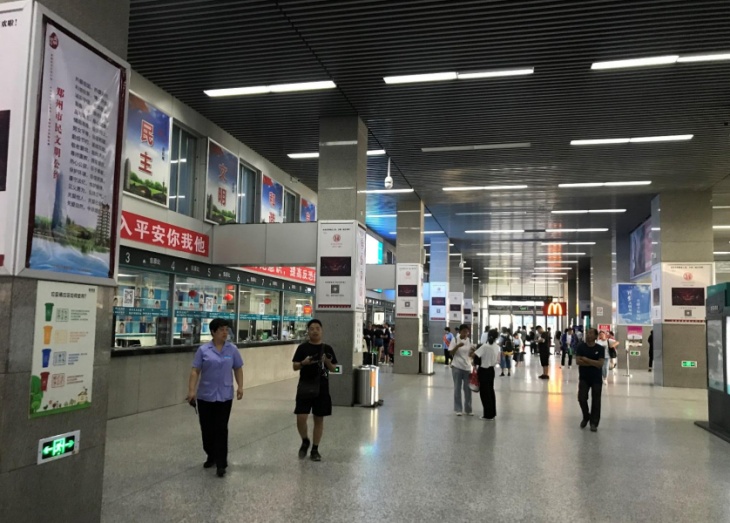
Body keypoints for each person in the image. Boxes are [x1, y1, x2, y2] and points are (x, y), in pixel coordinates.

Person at [186, 318, 244, 478]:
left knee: (221, 429)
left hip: (225, 396)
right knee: (207, 429)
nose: (225, 333)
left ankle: (221, 463)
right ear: (213, 332)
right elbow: (195, 371)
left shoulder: (232, 349)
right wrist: (191, 390)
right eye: (221, 330)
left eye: (226, 329)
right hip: (206, 396)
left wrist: (240, 386)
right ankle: (211, 454)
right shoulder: (203, 350)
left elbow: (238, 368)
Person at [292, 319, 338, 462]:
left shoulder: (327, 348)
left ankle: (315, 449)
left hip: (322, 387)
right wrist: (303, 363)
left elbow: (335, 369)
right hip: (305, 386)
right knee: (301, 417)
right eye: (312, 328)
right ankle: (305, 440)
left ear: (322, 330)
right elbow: (295, 366)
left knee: (319, 419)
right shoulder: (302, 348)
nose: (315, 331)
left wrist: (327, 362)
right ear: (308, 331)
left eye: (317, 328)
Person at [576, 328, 605, 432]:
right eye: (587, 333)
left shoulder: (600, 349)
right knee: (581, 398)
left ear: (596, 336)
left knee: (596, 400)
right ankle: (586, 416)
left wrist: (586, 360)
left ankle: (594, 423)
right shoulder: (581, 347)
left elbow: (600, 364)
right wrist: (593, 363)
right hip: (584, 377)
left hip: (596, 378)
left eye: (591, 333)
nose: (588, 335)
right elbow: (578, 361)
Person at [471, 328, 501, 420]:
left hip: (483, 371)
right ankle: (492, 413)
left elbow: (473, 355)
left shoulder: (485, 346)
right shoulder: (496, 347)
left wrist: (473, 350)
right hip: (491, 370)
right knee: (490, 392)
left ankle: (487, 415)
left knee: (484, 393)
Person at [448, 324, 474, 416]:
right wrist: (457, 346)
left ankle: (468, 409)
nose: (465, 333)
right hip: (457, 367)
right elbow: (451, 352)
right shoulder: (455, 340)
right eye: (463, 331)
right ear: (460, 332)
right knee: (457, 388)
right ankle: (458, 409)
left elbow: (470, 354)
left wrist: (473, 352)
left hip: (467, 367)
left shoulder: (469, 341)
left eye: (467, 332)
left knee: (468, 389)